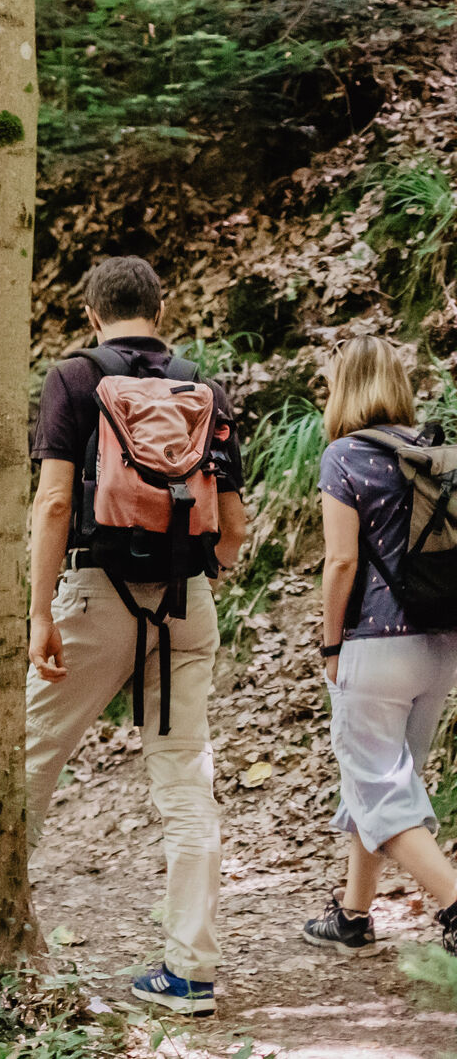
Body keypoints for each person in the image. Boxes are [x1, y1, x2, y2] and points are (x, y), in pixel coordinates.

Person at [25, 257, 246, 1016]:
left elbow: (55, 504)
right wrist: (191, 567)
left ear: (91, 312)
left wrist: (40, 614)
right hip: (186, 600)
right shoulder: (203, 386)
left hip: (94, 594)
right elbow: (236, 526)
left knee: (29, 756)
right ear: (163, 305)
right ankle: (191, 971)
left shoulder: (74, 379)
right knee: (186, 777)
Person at [299, 336, 457, 958]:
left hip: (375, 645)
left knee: (382, 787)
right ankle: (354, 915)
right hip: (441, 644)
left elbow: (341, 562)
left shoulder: (344, 456)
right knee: (388, 781)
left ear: (344, 386)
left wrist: (329, 645)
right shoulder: (437, 452)